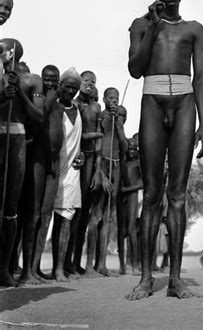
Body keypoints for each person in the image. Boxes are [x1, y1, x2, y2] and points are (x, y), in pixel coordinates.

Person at [126, 0, 203, 300]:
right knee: (152, 194)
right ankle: (146, 278)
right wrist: (153, 28)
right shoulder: (142, 25)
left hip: (185, 103)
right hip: (153, 100)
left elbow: (201, 76)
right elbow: (135, 69)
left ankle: (175, 279)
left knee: (178, 193)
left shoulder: (194, 29)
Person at [0, 39, 43, 287]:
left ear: (12, 53)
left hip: (16, 137)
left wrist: (19, 96)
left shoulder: (31, 81)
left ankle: (4, 269)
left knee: (10, 208)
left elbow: (38, 116)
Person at [18, 64, 60, 284]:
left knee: (44, 215)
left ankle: (34, 269)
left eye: (54, 79)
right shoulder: (41, 98)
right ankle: (25, 272)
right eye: (47, 78)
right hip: (37, 158)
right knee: (32, 215)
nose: (51, 82)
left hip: (52, 161)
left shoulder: (58, 103)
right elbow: (39, 118)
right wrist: (51, 97)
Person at [86, 87, 127, 277]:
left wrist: (119, 125)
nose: (114, 100)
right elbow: (98, 145)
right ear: (103, 99)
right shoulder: (101, 117)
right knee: (96, 216)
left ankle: (102, 264)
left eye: (116, 98)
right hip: (102, 164)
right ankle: (89, 265)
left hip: (116, 166)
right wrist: (100, 172)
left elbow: (124, 146)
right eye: (111, 97)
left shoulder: (119, 119)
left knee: (109, 217)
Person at [50, 68, 84, 282]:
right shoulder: (52, 107)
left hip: (72, 170)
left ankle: (59, 268)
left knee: (66, 218)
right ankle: (31, 269)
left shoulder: (78, 108)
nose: (70, 91)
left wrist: (82, 155)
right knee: (44, 218)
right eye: (67, 87)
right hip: (52, 168)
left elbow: (81, 139)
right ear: (60, 86)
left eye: (74, 88)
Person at [68, 70, 103, 276]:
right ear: (80, 82)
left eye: (93, 81)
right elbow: (78, 134)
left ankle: (75, 263)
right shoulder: (74, 105)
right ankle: (65, 262)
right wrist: (98, 134)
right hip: (76, 156)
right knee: (73, 210)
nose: (89, 84)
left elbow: (98, 141)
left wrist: (98, 168)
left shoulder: (96, 107)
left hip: (91, 159)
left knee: (84, 213)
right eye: (86, 80)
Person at [118, 137, 142, 275]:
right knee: (122, 231)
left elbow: (144, 183)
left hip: (132, 197)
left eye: (134, 149)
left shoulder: (139, 163)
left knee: (132, 230)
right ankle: (123, 266)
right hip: (122, 199)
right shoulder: (123, 163)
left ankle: (136, 265)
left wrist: (129, 189)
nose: (132, 152)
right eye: (130, 149)